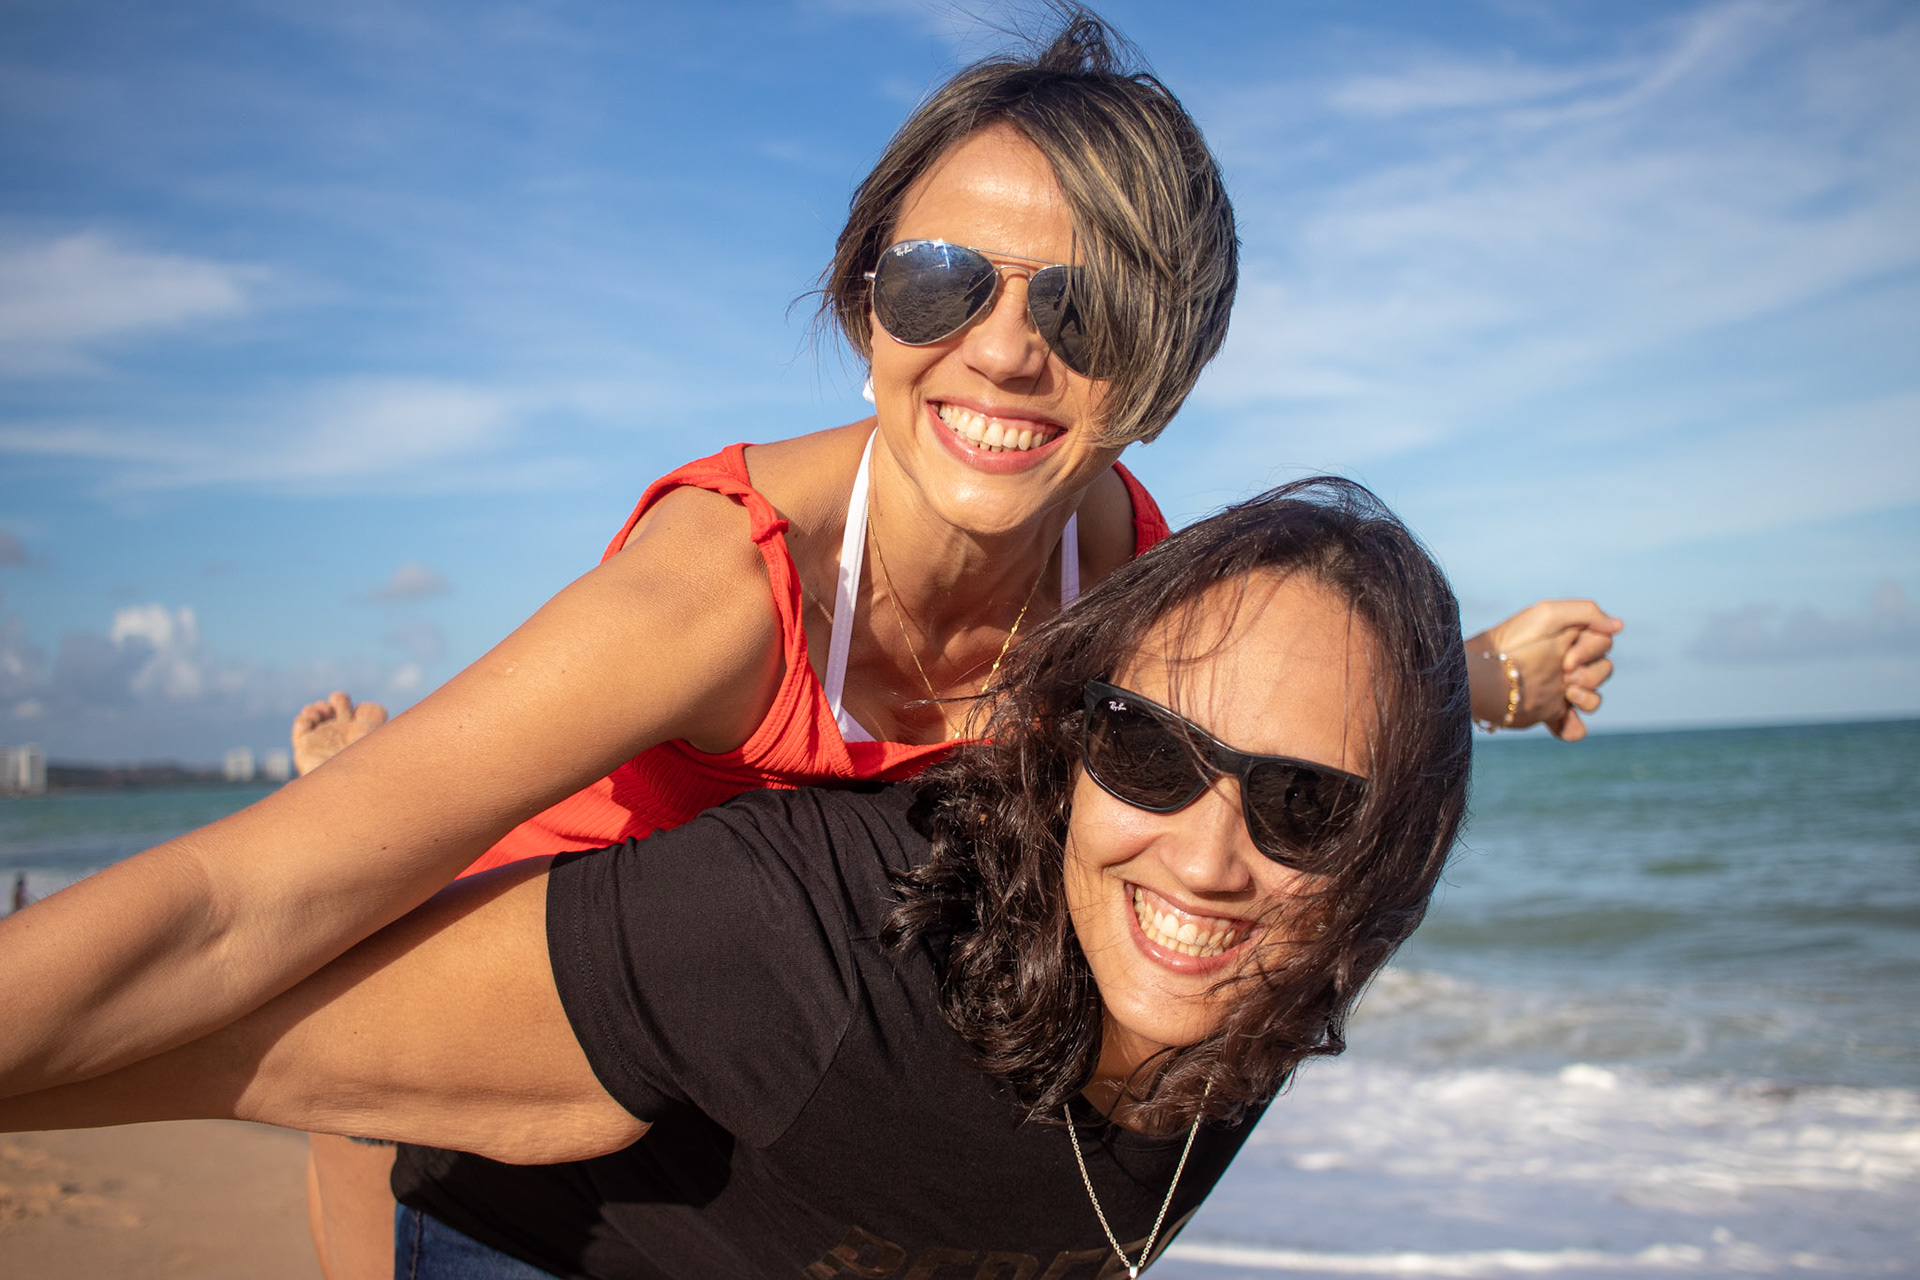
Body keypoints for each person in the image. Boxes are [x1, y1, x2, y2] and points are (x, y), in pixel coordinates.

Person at [0, 13, 1614, 1277]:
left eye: (1085, 310)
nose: (1003, 348)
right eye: (940, 281)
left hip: (779, 1135)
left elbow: (1282, 730)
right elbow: (234, 906)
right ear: (862, 306)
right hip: (535, 1064)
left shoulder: (1131, 582)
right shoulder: (719, 589)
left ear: (1162, 367)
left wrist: (1497, 678)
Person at [1, 478, 1473, 1279]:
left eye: (1305, 807)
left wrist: (1499, 677)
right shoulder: (815, 942)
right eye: (1147, 753)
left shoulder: (1276, 958)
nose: (1211, 858)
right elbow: (215, 1013)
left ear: (1393, 850)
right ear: (1069, 748)